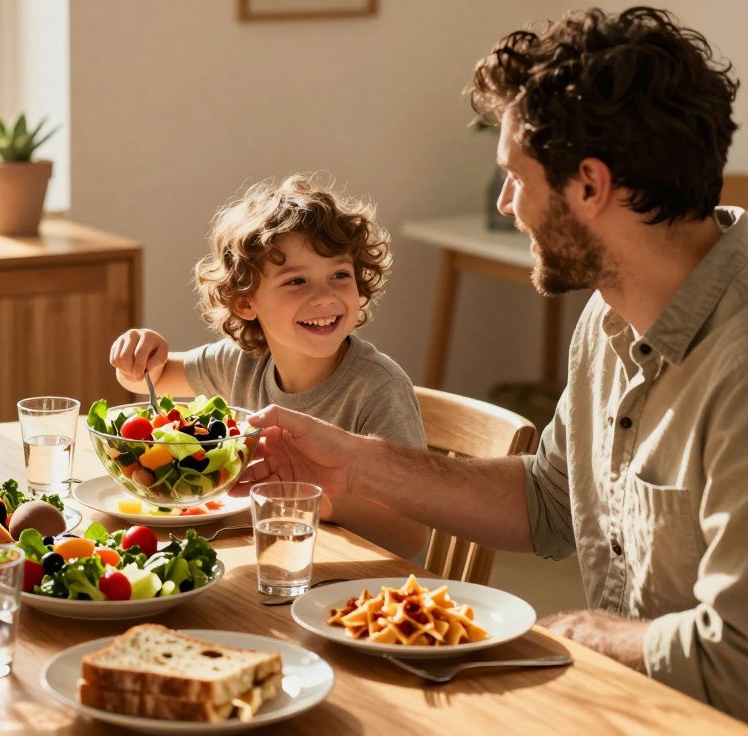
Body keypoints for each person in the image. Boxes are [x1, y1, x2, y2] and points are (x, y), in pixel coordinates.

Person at [243, 7, 747, 719]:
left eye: (516, 176)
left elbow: (734, 662)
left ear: (591, 186)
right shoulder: (610, 314)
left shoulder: (739, 367)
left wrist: (566, 636)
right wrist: (355, 464)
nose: (507, 203)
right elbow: (547, 503)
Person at [109, 173, 429, 558]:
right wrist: (139, 356)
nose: (325, 296)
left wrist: (316, 500)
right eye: (297, 281)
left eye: (340, 275)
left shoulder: (378, 390)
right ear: (245, 303)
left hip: (351, 584)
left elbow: (411, 535)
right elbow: (150, 380)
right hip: (263, 558)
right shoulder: (243, 362)